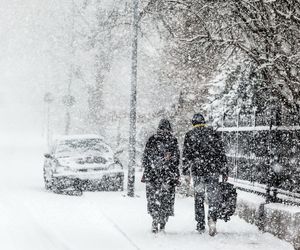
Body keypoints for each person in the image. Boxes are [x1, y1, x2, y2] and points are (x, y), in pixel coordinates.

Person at [182, 113, 228, 236]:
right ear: (204, 122)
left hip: (198, 172)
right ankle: (212, 219)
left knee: (199, 197)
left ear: (193, 123)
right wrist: (224, 171)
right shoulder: (213, 134)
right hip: (213, 170)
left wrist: (186, 172)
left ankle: (200, 223)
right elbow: (221, 153)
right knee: (213, 198)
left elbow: (186, 155)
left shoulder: (190, 135)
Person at [141, 119, 180, 233]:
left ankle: (155, 219)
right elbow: (177, 160)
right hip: (168, 176)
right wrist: (169, 159)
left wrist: (154, 163)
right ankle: (163, 221)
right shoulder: (173, 140)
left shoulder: (152, 139)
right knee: (166, 198)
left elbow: (145, 159)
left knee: (153, 198)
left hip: (153, 176)